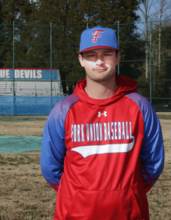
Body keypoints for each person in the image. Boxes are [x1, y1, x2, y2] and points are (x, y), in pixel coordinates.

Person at [40, 26, 164, 220]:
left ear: (117, 58)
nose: (99, 61)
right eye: (91, 55)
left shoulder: (140, 107)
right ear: (81, 59)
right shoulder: (63, 111)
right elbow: (50, 168)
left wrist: (128, 192)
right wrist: (78, 195)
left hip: (128, 213)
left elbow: (154, 163)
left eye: (106, 54)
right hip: (74, 214)